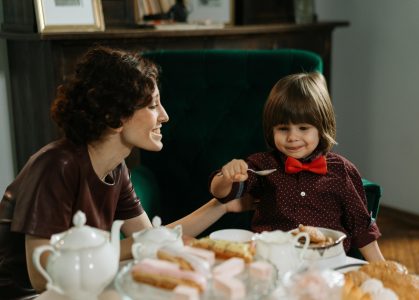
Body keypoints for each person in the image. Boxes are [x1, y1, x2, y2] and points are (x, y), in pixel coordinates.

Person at [0, 46, 252, 299]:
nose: (164, 116)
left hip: (82, 287)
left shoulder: (116, 168)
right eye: (153, 106)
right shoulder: (57, 165)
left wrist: (221, 205)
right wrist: (125, 249)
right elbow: (41, 278)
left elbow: (152, 237)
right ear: (115, 116)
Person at [210, 72, 385, 262]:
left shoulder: (342, 170)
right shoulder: (262, 165)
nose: (292, 137)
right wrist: (226, 177)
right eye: (283, 129)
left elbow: (361, 228)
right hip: (272, 260)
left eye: (303, 128)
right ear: (272, 130)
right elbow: (222, 194)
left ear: (322, 127)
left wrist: (382, 269)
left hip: (327, 263)